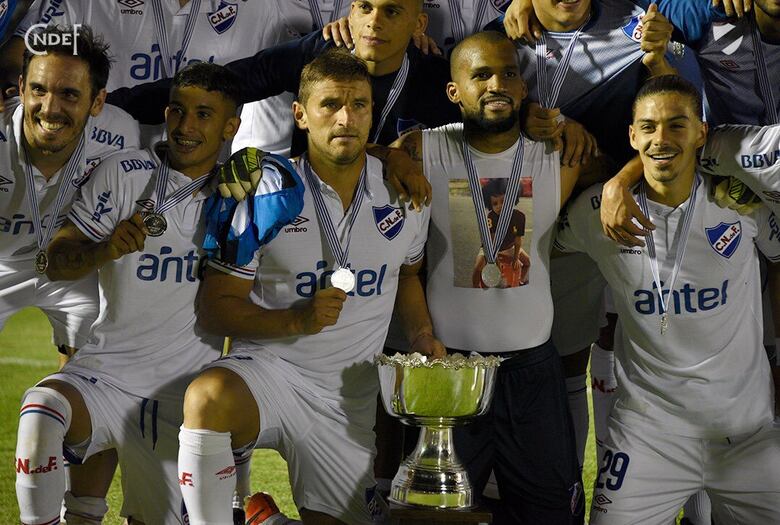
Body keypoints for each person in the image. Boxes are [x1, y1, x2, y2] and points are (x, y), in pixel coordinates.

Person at [174, 49, 440, 525]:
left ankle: (264, 521)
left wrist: (421, 334)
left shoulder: (404, 191)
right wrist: (294, 319)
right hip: (271, 373)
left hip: (347, 402)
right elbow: (215, 309)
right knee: (207, 397)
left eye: (358, 104)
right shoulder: (263, 187)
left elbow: (408, 273)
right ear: (300, 114)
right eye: (330, 104)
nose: (346, 118)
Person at [14, 61, 251, 525]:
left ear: (231, 127)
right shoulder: (123, 171)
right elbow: (54, 261)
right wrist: (103, 249)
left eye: (204, 115)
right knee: (40, 410)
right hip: (104, 371)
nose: (185, 126)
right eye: (178, 111)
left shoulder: (239, 195)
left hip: (181, 394)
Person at [555, 74, 780, 524]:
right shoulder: (597, 212)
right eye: (650, 127)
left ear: (701, 132)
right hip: (648, 438)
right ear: (632, 135)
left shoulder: (743, 204)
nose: (662, 139)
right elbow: (549, 244)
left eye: (678, 126)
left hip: (746, 435)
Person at [390, 31, 583, 524]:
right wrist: (420, 335)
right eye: (480, 75)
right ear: (454, 91)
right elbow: (406, 266)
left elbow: (625, 164)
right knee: (432, 516)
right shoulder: (420, 151)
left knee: (549, 515)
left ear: (524, 89)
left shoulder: (562, 149)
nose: (496, 84)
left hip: (533, 373)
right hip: (449, 371)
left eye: (508, 73)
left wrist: (573, 128)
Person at [105, 0, 460, 157]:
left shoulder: (436, 79)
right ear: (351, 11)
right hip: (307, 212)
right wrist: (109, 108)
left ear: (418, 24)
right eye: (365, 7)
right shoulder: (318, 51)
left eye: (392, 11)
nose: (374, 21)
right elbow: (219, 86)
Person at [471, 178, 530, 288]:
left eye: (503, 201)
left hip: (509, 247)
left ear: (512, 199)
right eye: (495, 203)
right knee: (477, 268)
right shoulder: (491, 216)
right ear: (490, 204)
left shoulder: (519, 216)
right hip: (490, 248)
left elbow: (517, 241)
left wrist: (516, 258)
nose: (499, 206)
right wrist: (494, 259)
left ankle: (521, 280)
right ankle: (475, 288)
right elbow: (492, 241)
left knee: (527, 262)